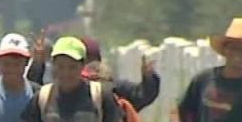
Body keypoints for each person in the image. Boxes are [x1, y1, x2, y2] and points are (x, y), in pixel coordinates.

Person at [28, 34, 161, 112]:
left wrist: (149, 78)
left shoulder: (110, 91)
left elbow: (141, 96)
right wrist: (37, 64)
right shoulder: (53, 93)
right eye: (65, 65)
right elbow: (32, 95)